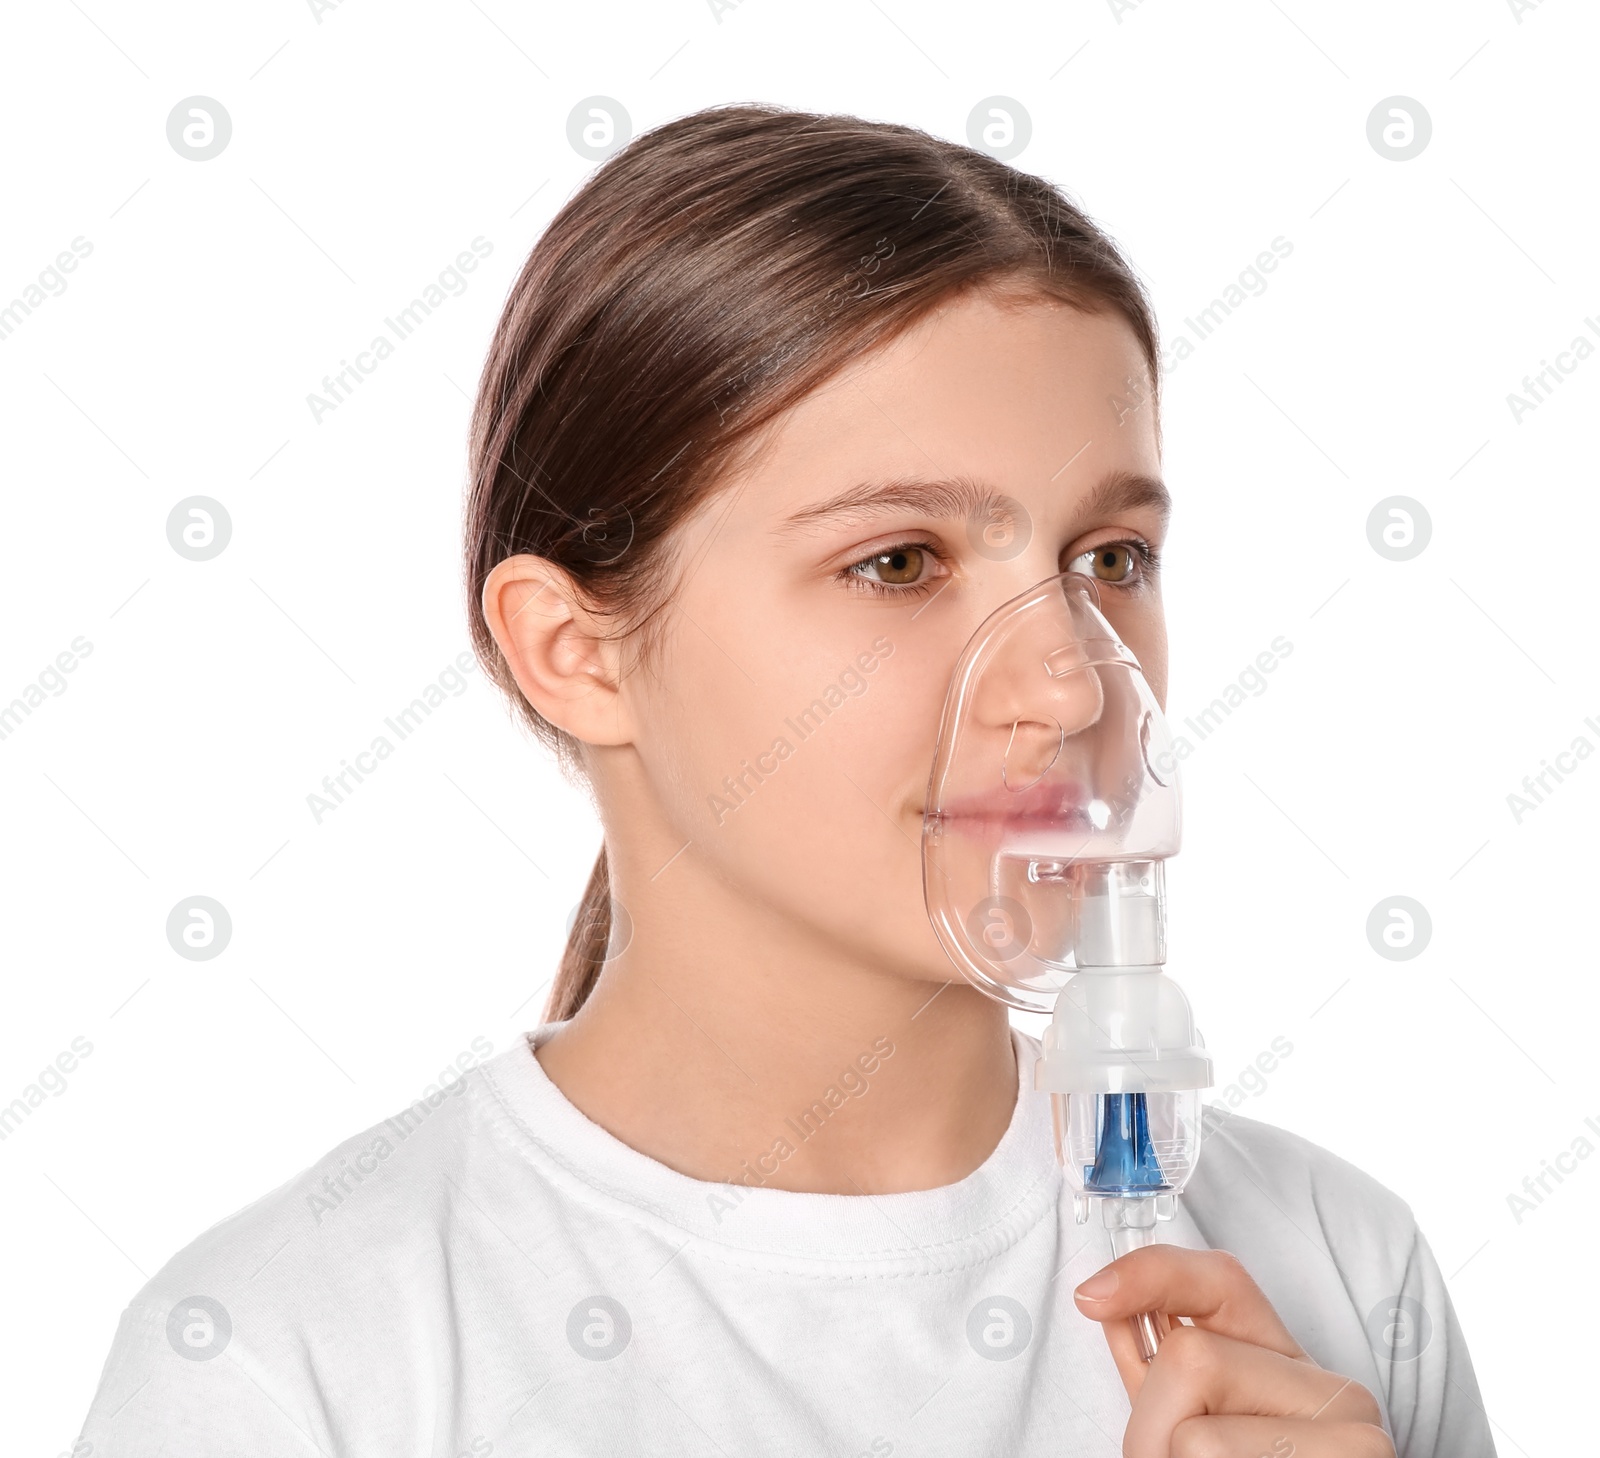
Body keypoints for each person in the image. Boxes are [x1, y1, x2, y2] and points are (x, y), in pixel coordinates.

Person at [77, 102, 1495, 1457]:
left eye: (1109, 557)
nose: (1071, 683)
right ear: (577, 651)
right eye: (899, 563)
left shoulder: (1338, 1277)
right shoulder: (294, 1365)